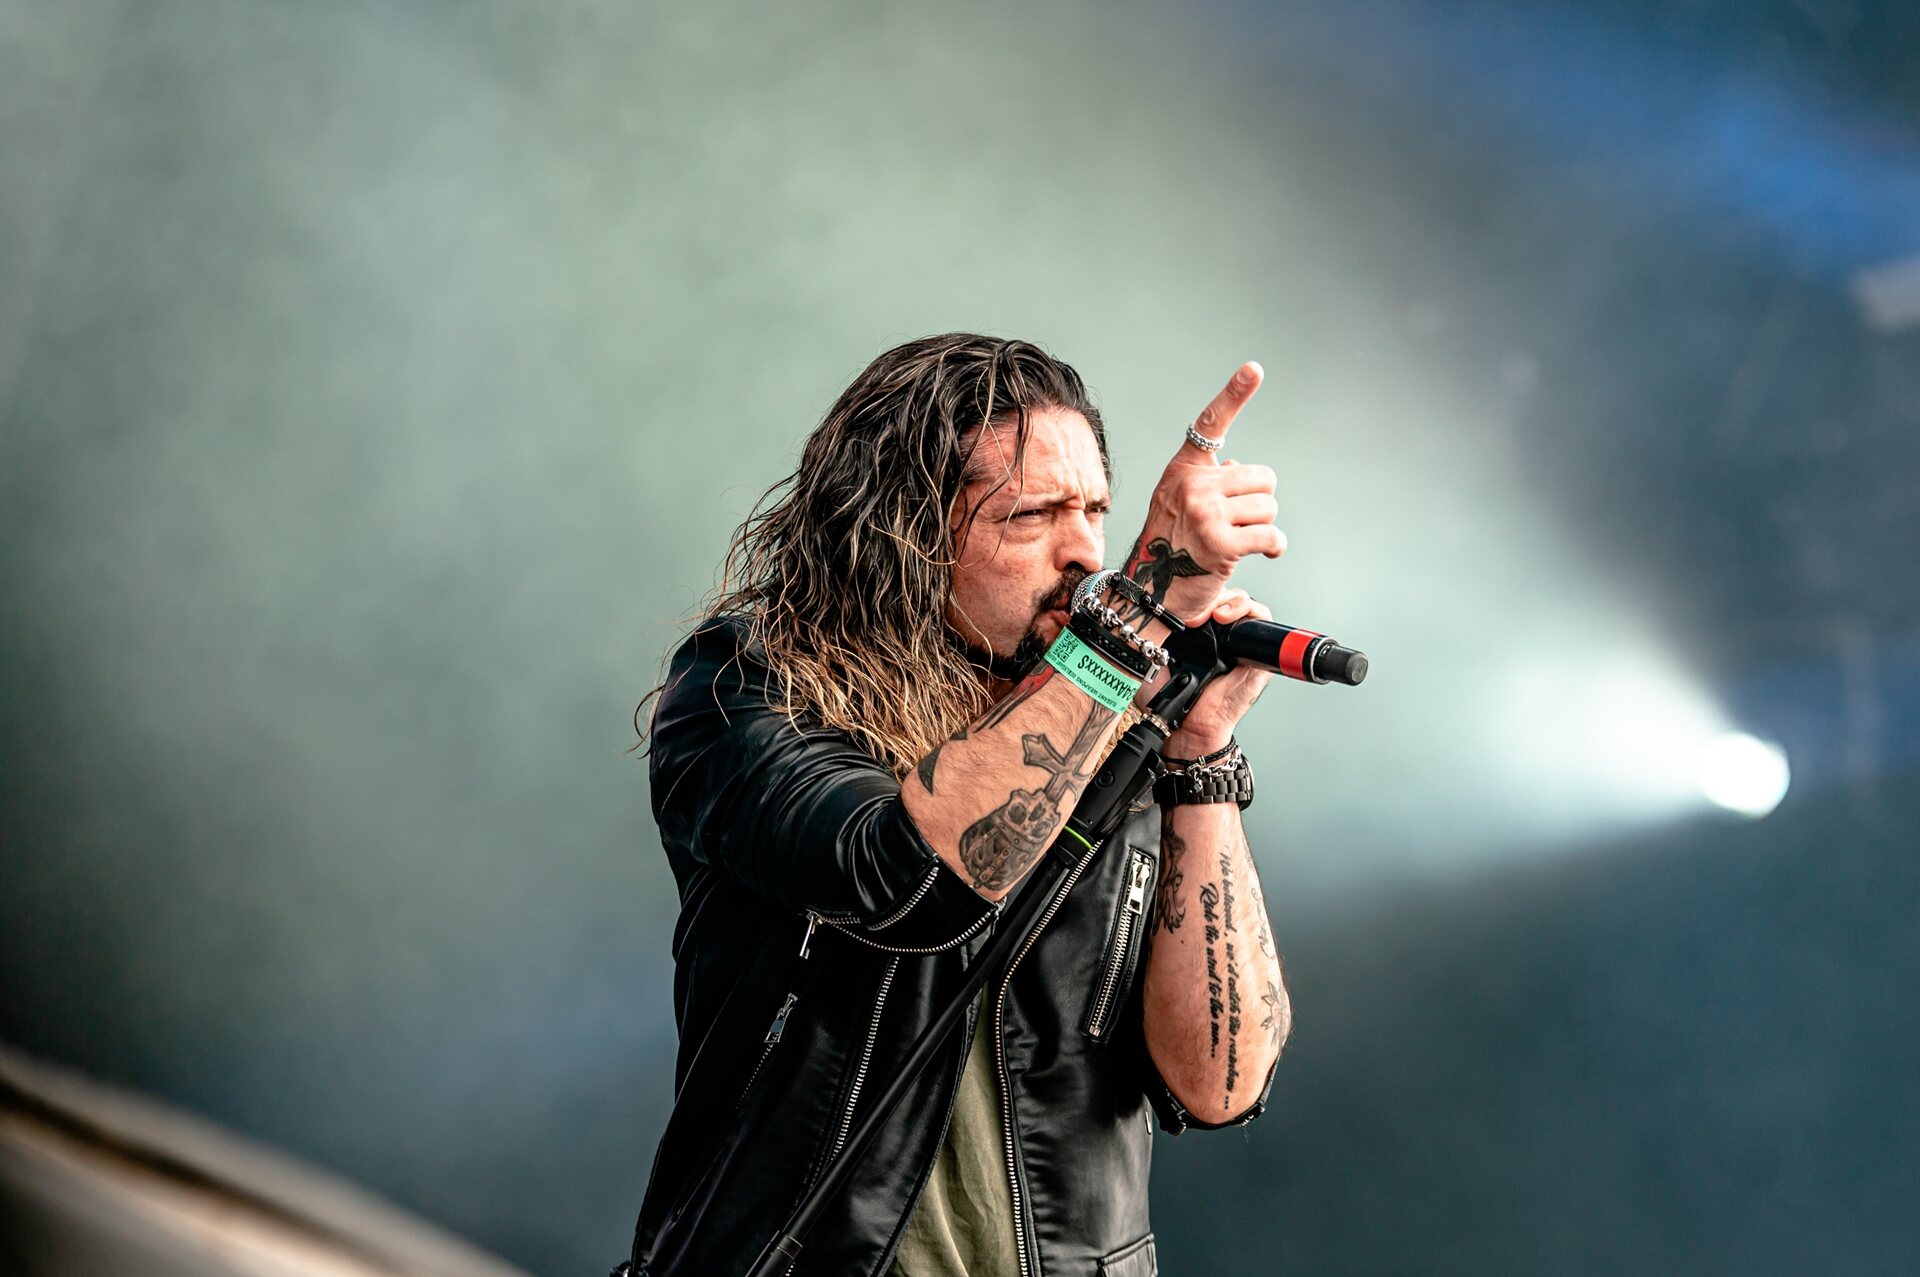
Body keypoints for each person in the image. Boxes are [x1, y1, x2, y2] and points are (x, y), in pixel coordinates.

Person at [622, 335, 1291, 1277]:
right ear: (902, 533)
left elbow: (1219, 1086)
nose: (1086, 554)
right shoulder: (748, 686)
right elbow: (907, 882)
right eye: (1031, 514)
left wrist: (1200, 758)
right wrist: (1134, 617)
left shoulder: (1116, 726)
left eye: (1096, 511)